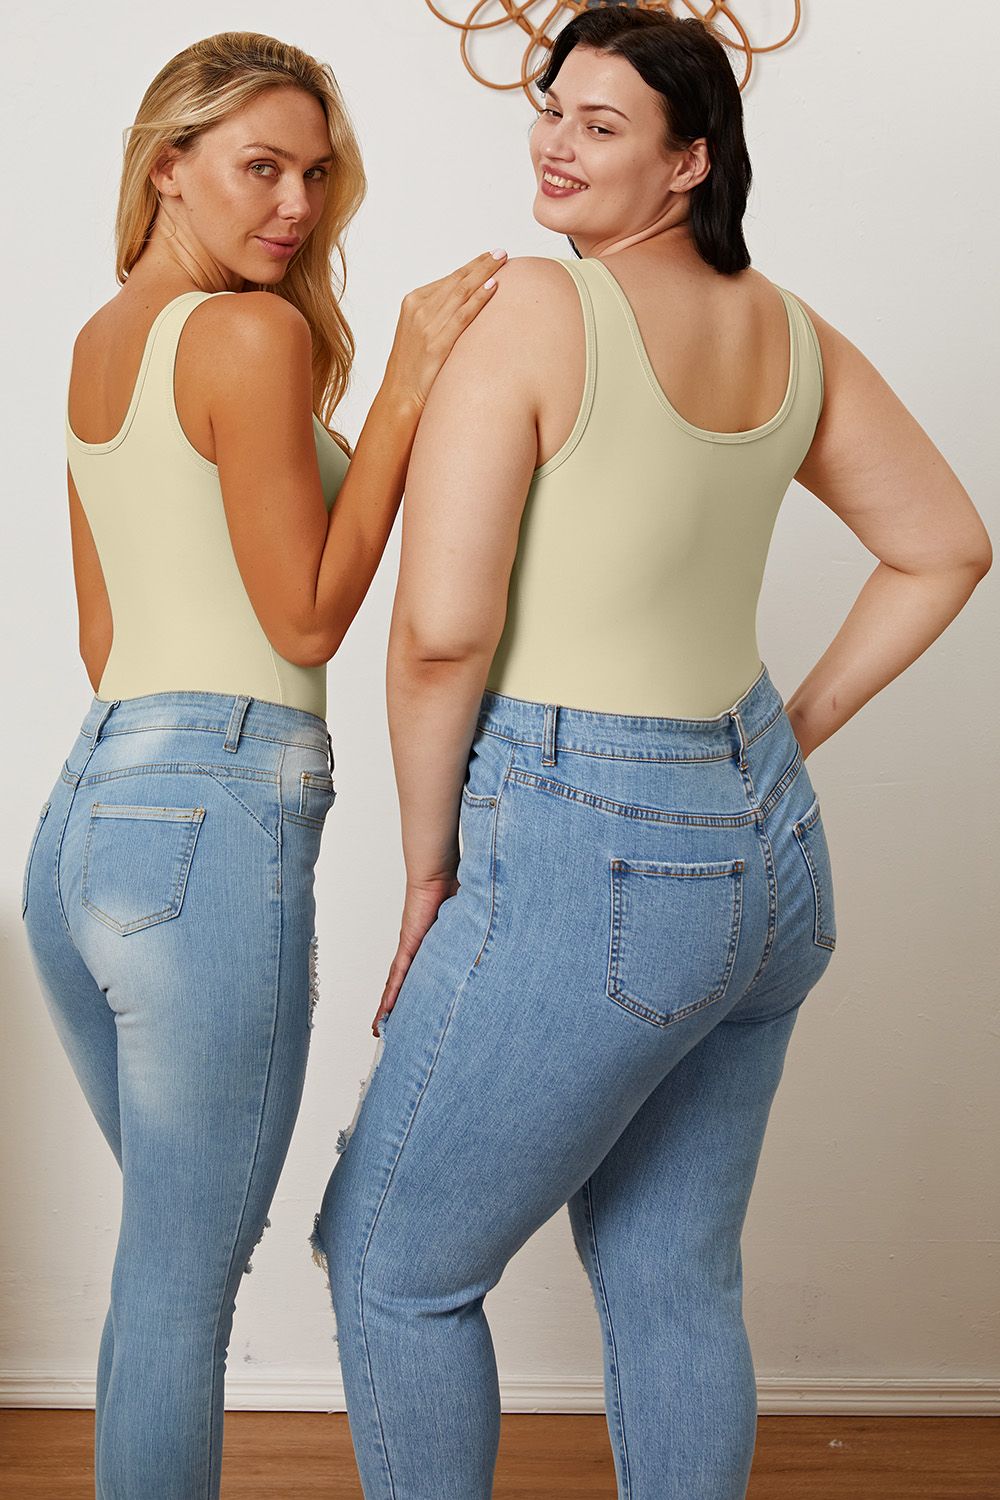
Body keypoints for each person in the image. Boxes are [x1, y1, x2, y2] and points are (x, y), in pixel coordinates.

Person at [311, 10, 992, 1499]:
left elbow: (439, 635)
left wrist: (430, 868)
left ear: (689, 163)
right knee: (673, 1271)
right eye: (553, 106)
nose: (555, 139)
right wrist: (782, 741)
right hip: (761, 858)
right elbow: (944, 547)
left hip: (589, 843)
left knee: (386, 1264)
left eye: (603, 125)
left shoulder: (536, 312)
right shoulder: (791, 330)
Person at [18, 29, 506, 1500]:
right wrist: (414, 378)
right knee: (182, 1279)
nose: (294, 202)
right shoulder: (251, 338)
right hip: (215, 822)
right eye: (260, 166)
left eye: (315, 172)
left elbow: (109, 645)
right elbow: (304, 614)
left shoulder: (107, 342)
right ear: (169, 166)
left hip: (85, 824)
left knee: (163, 1261)